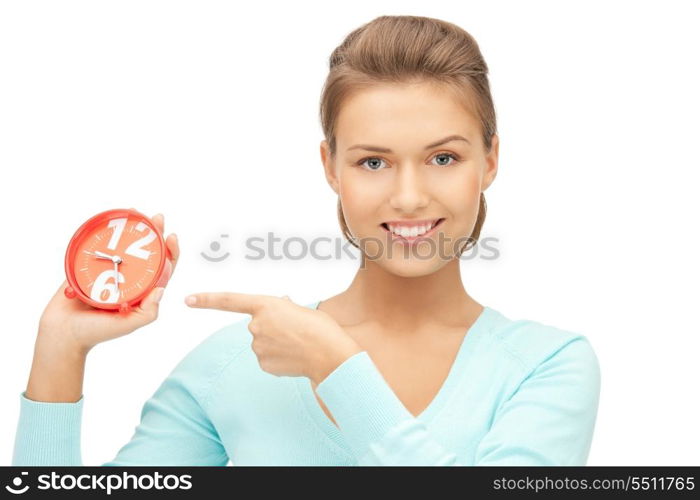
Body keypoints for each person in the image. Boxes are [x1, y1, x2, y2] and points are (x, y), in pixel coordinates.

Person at [12, 15, 600, 466]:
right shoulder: (235, 364)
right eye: (373, 163)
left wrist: (337, 367)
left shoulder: (547, 366)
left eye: (443, 157)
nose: (409, 196)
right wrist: (60, 350)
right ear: (330, 166)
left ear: (490, 160)